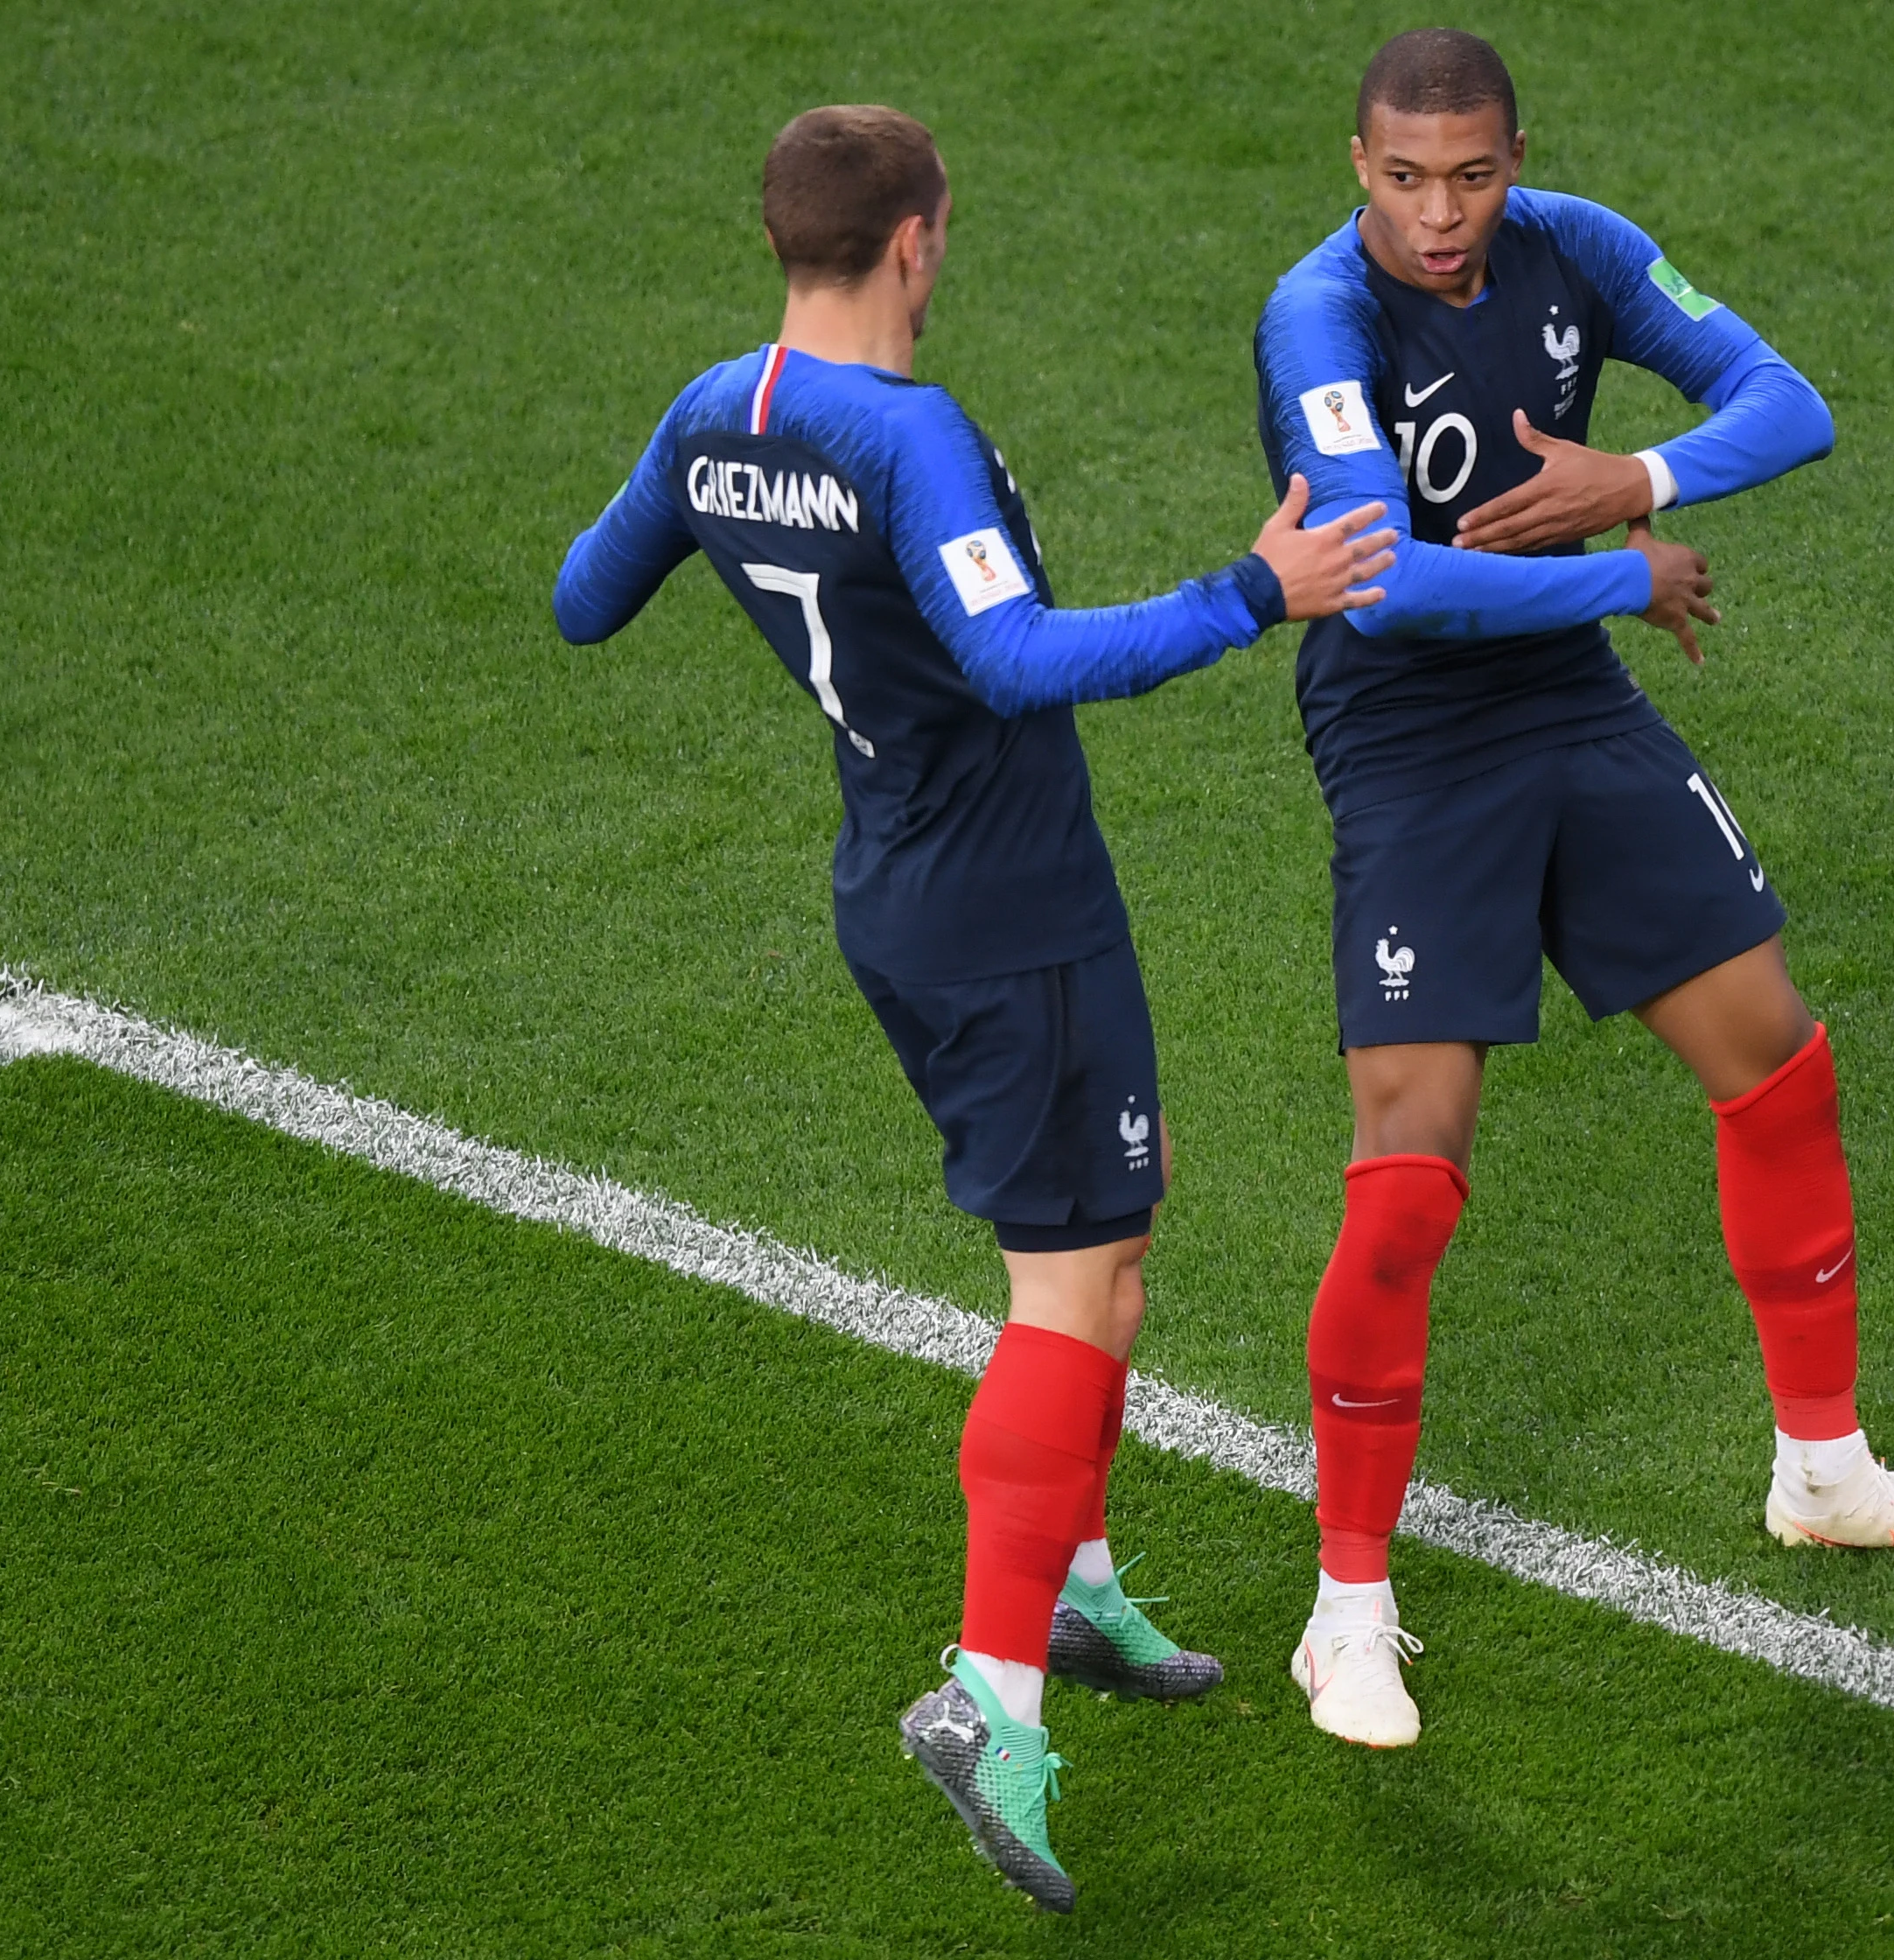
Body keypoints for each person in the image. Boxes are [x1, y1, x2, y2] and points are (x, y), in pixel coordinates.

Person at [553, 104, 1395, 1908]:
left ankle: (1070, 1581)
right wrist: (1260, 588)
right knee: (1067, 1291)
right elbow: (1017, 659)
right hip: (1013, 917)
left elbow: (580, 599)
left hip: (900, 896)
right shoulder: (905, 435)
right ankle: (986, 1690)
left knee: (1117, 1238)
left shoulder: (716, 413)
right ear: (917, 239)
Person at [1251, 31, 1894, 1752]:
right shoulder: (1316, 323)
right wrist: (1617, 571)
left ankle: (1822, 1473)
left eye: (1471, 175)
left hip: (1566, 709)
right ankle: (1347, 1612)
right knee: (1406, 1174)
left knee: (1773, 1052)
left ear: (1514, 157)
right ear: (1356, 163)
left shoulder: (1581, 248)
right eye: (1403, 178)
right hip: (1406, 745)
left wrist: (1643, 478)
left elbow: (1786, 401)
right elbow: (1378, 593)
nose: (1440, 212)